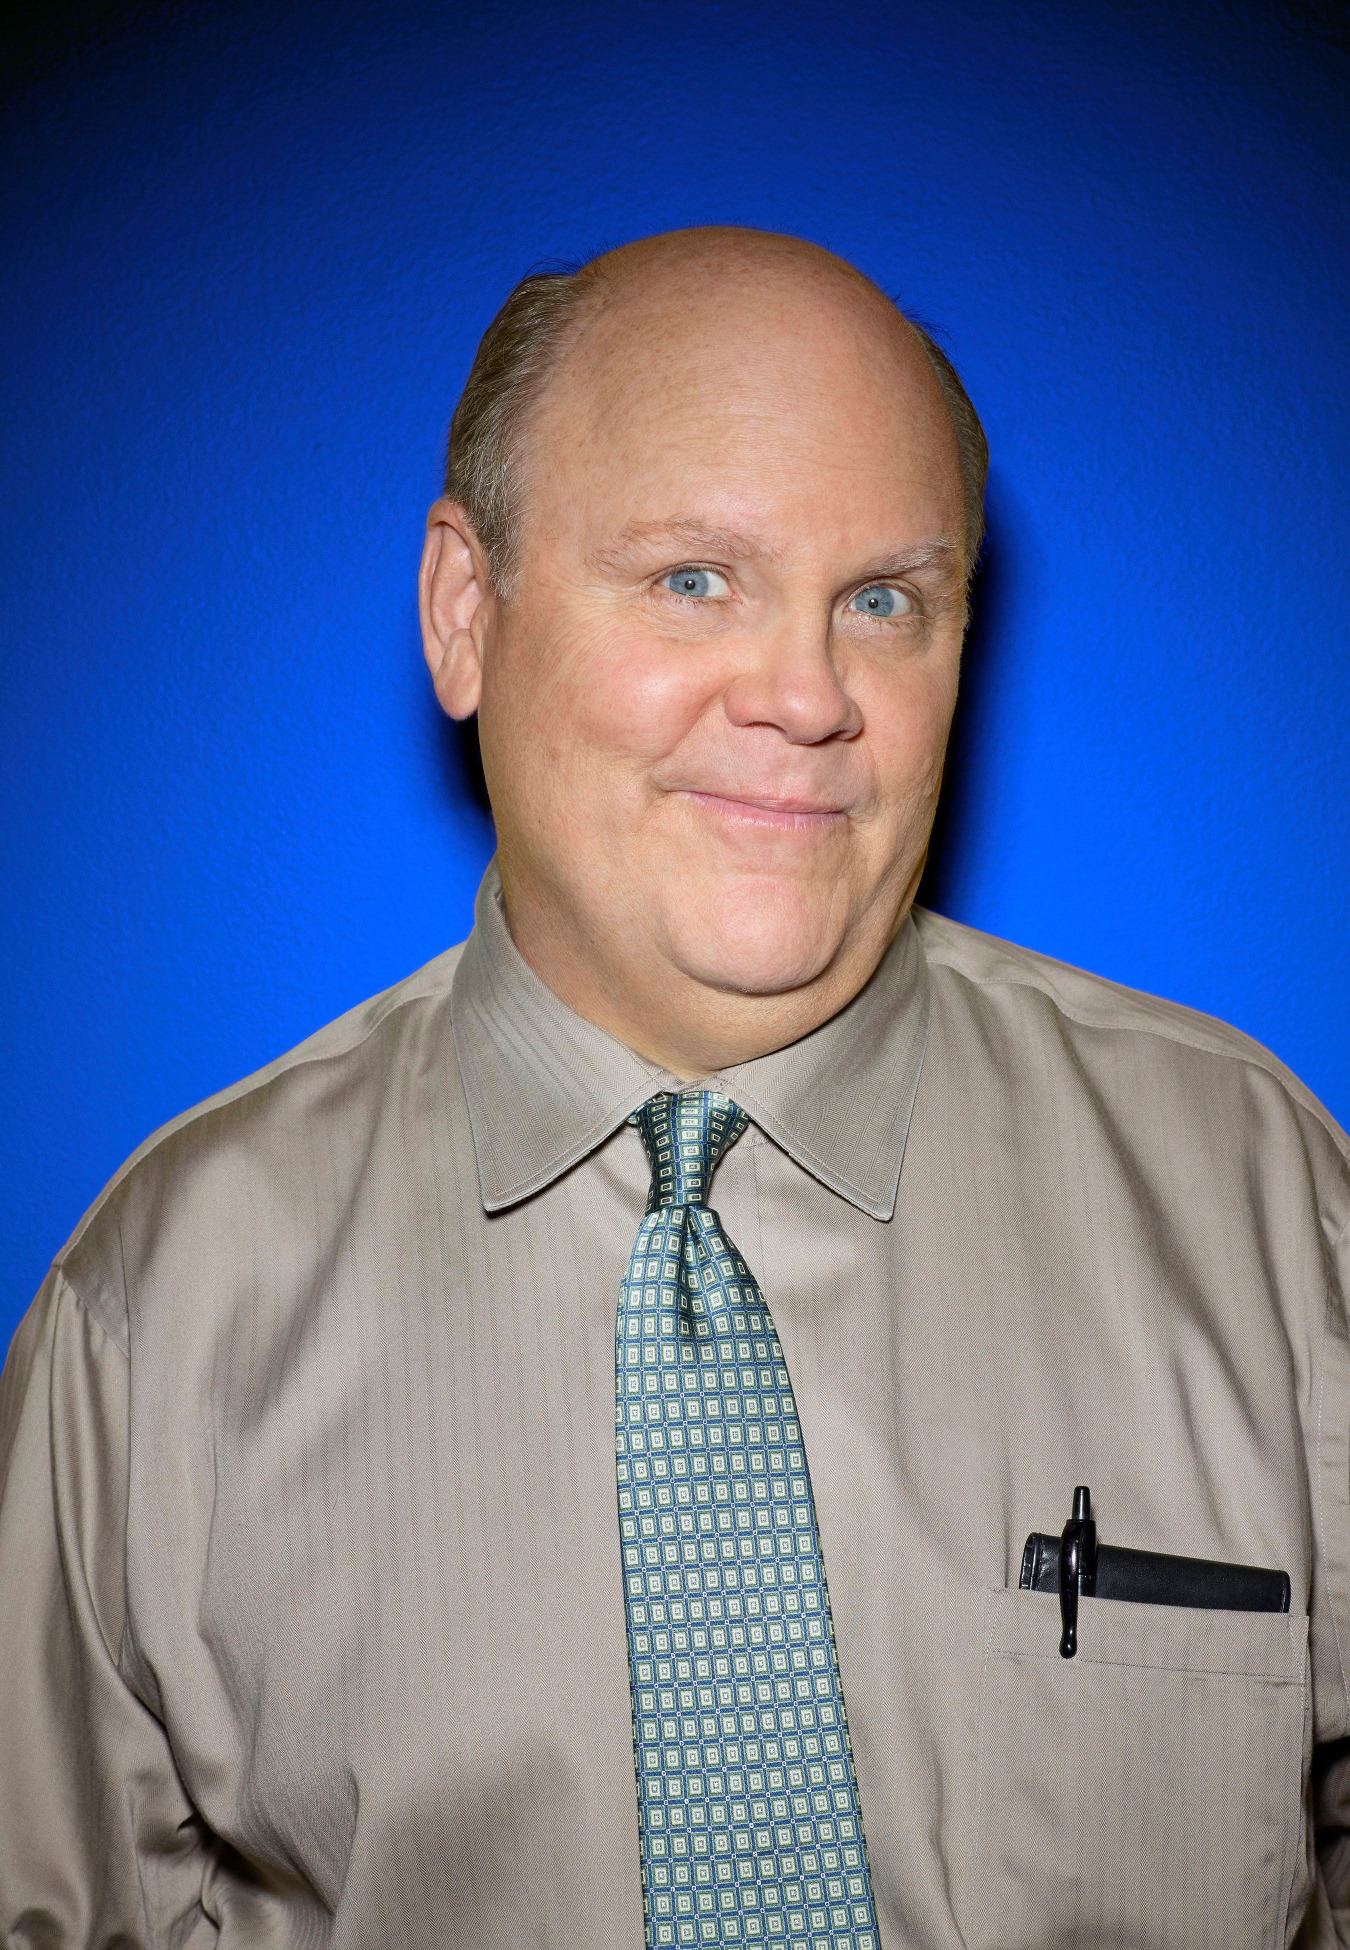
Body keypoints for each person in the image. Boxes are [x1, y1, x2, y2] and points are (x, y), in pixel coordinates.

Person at [0, 226, 1346, 1950]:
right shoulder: (161, 1309)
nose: (807, 695)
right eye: (694, 577)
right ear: (464, 611)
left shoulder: (1258, 1200)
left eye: (884, 600)